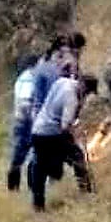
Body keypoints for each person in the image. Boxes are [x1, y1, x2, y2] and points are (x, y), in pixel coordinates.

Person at [6, 33, 85, 192]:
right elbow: (45, 99)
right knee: (40, 157)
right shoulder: (49, 71)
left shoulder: (48, 68)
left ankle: (30, 191)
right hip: (40, 120)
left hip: (38, 119)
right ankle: (35, 190)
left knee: (31, 155)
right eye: (67, 53)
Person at [27, 63, 93, 211]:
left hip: (37, 130)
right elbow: (65, 126)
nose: (86, 96)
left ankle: (38, 205)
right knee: (77, 158)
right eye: (87, 93)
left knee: (40, 166)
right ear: (84, 87)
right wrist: (76, 131)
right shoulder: (72, 99)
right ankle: (87, 193)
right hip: (52, 133)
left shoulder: (63, 81)